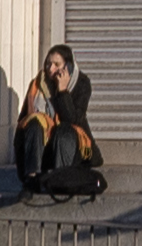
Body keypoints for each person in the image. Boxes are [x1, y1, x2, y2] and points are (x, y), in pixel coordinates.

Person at [8, 43, 99, 202]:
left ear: (69, 66)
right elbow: (23, 122)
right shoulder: (38, 84)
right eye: (48, 63)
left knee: (63, 130)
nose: (50, 69)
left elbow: (73, 120)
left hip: (70, 145)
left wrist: (62, 91)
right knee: (35, 122)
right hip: (43, 149)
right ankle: (31, 181)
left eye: (57, 64)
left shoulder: (82, 84)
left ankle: (61, 180)